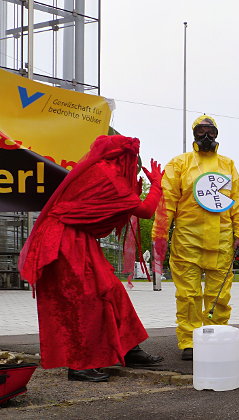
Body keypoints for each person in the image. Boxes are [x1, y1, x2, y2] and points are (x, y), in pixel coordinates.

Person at [19, 135, 164, 382]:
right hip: (64, 241)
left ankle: (129, 349)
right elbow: (145, 210)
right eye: (131, 159)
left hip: (75, 238)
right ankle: (80, 364)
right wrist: (158, 186)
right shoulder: (108, 176)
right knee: (83, 300)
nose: (133, 164)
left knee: (111, 290)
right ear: (122, 157)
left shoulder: (102, 171)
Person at [156, 115, 239, 360]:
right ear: (194, 133)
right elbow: (166, 202)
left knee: (220, 295)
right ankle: (189, 341)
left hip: (221, 242)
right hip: (188, 241)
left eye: (211, 131)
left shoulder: (227, 165)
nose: (206, 136)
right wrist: (160, 236)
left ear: (217, 135)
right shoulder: (180, 164)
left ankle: (217, 337)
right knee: (188, 295)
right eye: (201, 131)